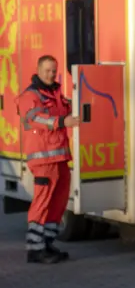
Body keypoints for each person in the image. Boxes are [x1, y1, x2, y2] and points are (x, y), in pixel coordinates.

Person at [17, 55, 80, 264]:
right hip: (43, 160)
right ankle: (35, 248)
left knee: (58, 202)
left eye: (54, 70)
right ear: (38, 70)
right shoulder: (31, 95)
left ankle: (47, 243)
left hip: (60, 158)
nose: (51, 74)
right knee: (42, 202)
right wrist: (63, 120)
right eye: (47, 70)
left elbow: (66, 111)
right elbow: (36, 118)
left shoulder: (56, 93)